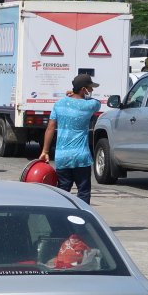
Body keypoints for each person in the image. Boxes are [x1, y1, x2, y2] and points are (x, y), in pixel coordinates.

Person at [38, 73, 102, 204]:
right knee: (83, 192)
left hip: (63, 157)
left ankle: (61, 220)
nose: (92, 90)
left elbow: (50, 128)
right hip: (81, 158)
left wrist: (45, 151)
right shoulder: (89, 106)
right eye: (90, 88)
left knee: (63, 192)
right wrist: (83, 96)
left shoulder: (59, 104)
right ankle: (82, 220)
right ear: (83, 89)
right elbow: (97, 102)